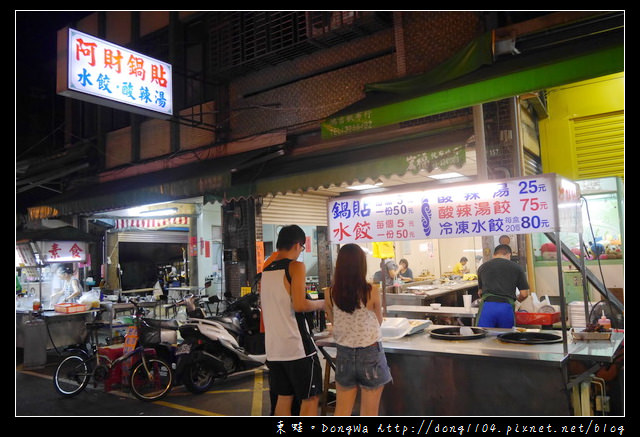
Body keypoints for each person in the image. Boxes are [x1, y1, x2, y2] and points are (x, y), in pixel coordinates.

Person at [260, 225, 325, 416]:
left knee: (284, 398)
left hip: (274, 350)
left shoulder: (266, 269)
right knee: (310, 398)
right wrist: (322, 303)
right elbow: (300, 305)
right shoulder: (295, 266)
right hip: (297, 348)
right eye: (302, 248)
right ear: (298, 245)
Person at [325, 243, 392, 416]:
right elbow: (378, 321)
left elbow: (333, 321)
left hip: (344, 355)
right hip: (370, 354)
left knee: (342, 411)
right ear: (361, 265)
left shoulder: (330, 293)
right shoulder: (371, 291)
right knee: (369, 413)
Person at [476, 245, 530, 328]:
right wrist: (516, 302)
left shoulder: (482, 267)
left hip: (487, 307)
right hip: (506, 307)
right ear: (509, 255)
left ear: (494, 255)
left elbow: (480, 292)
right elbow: (524, 294)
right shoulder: (517, 268)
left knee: (484, 336)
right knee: (506, 337)